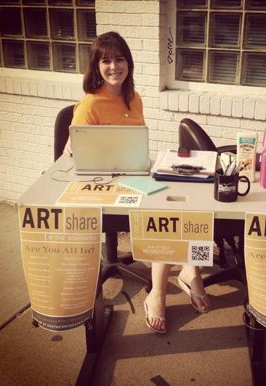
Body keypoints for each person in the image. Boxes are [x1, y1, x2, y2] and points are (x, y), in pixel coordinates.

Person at [63, 31, 210, 335]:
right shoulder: (89, 105)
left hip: (137, 176)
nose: (113, 66)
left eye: (119, 59)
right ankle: (157, 293)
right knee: (161, 215)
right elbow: (73, 154)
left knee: (190, 203)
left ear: (128, 63)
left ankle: (190, 269)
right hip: (107, 185)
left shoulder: (134, 98)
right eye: (106, 60)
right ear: (96, 66)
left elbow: (135, 146)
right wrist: (73, 144)